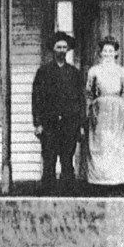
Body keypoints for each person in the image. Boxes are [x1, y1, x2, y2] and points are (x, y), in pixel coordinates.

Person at [32, 31, 86, 194]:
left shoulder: (74, 73)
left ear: (68, 50)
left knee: (67, 159)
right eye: (58, 47)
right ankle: (48, 191)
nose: (62, 50)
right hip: (49, 123)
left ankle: (67, 191)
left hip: (70, 123)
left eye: (64, 47)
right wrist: (38, 122)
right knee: (49, 158)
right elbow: (36, 98)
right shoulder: (44, 72)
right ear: (53, 50)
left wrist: (81, 125)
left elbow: (80, 100)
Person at [86, 35, 124, 187]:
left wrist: (119, 103)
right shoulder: (94, 71)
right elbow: (89, 92)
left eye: (111, 51)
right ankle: (100, 179)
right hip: (100, 109)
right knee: (101, 141)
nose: (108, 54)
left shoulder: (121, 71)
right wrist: (93, 106)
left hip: (116, 109)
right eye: (105, 51)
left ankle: (117, 178)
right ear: (100, 53)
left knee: (116, 142)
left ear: (116, 53)